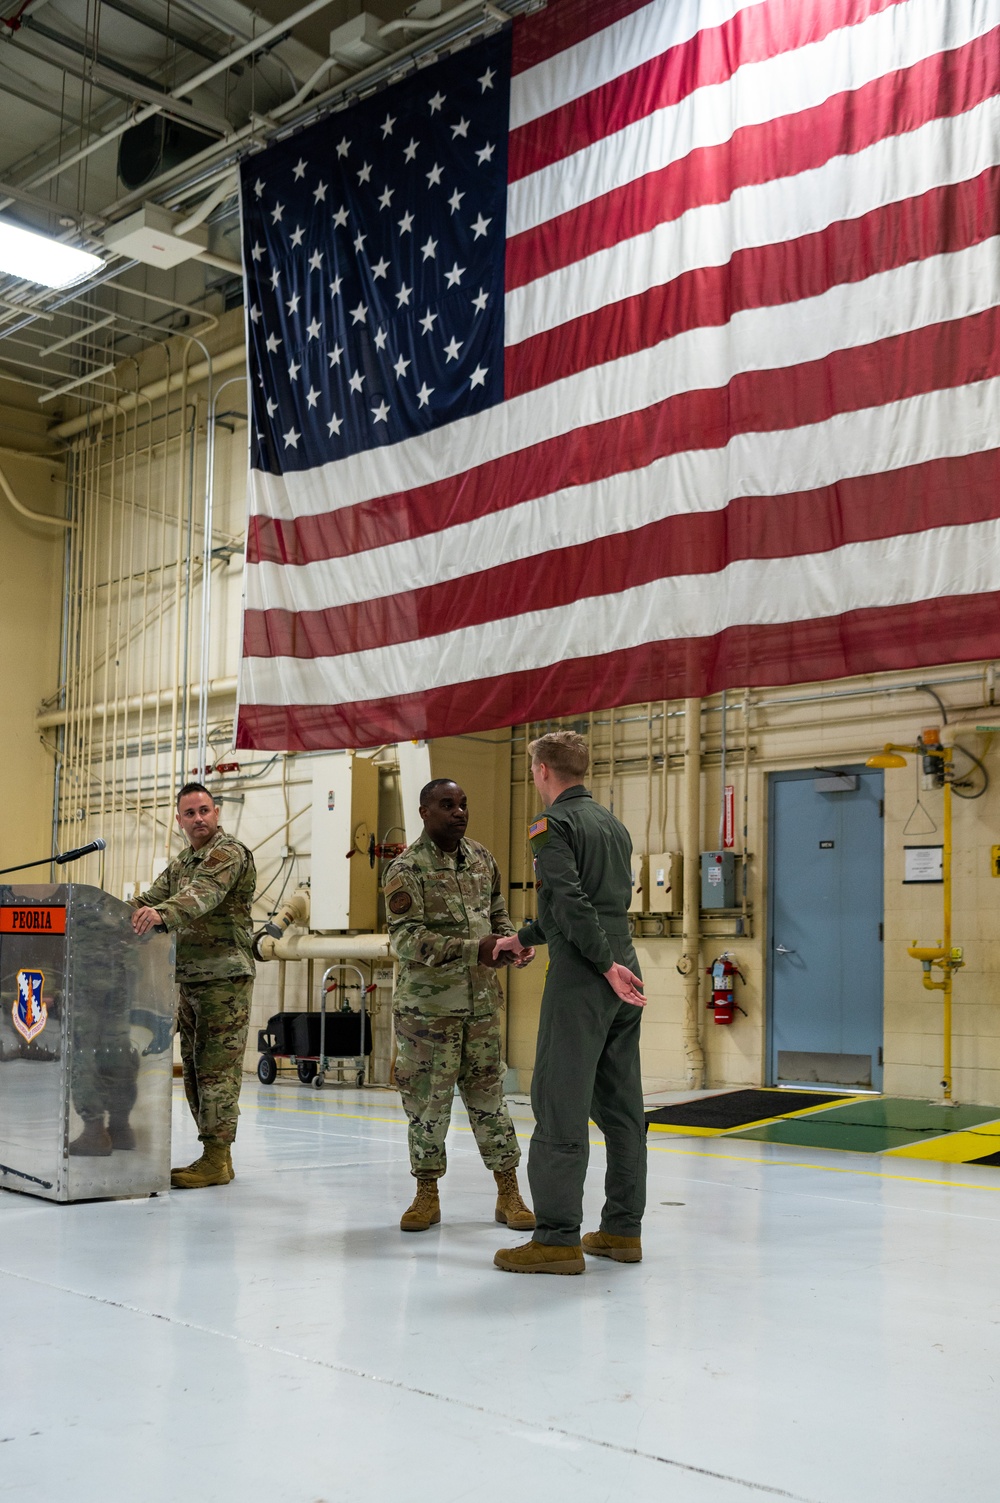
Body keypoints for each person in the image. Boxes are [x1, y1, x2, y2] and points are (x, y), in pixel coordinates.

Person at [492, 731, 646, 1275]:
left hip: (588, 973)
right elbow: (576, 907)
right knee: (622, 1106)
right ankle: (624, 1231)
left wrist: (601, 966)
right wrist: (525, 938)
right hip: (627, 966)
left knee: (559, 1102)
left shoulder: (550, 825)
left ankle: (556, 1238)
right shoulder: (613, 825)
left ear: (541, 771)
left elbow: (570, 901)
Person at [384, 778, 536, 1233]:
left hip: (482, 1008)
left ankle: (508, 1191)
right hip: (427, 1015)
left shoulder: (482, 858)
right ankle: (426, 1194)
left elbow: (496, 913)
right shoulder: (405, 869)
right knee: (427, 1105)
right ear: (424, 812)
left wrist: (511, 944)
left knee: (491, 1099)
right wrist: (477, 949)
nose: (459, 812)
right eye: (447, 805)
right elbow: (406, 939)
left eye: (463, 804)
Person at [131, 782, 256, 1189]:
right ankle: (215, 1157)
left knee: (218, 1071)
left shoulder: (228, 853)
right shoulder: (184, 861)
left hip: (224, 979)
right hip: (188, 979)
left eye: (204, 810)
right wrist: (106, 911)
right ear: (180, 819)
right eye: (190, 813)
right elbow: (149, 899)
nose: (199, 818)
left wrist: (157, 915)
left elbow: (203, 896)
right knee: (195, 1072)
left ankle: (216, 1158)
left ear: (216, 812)